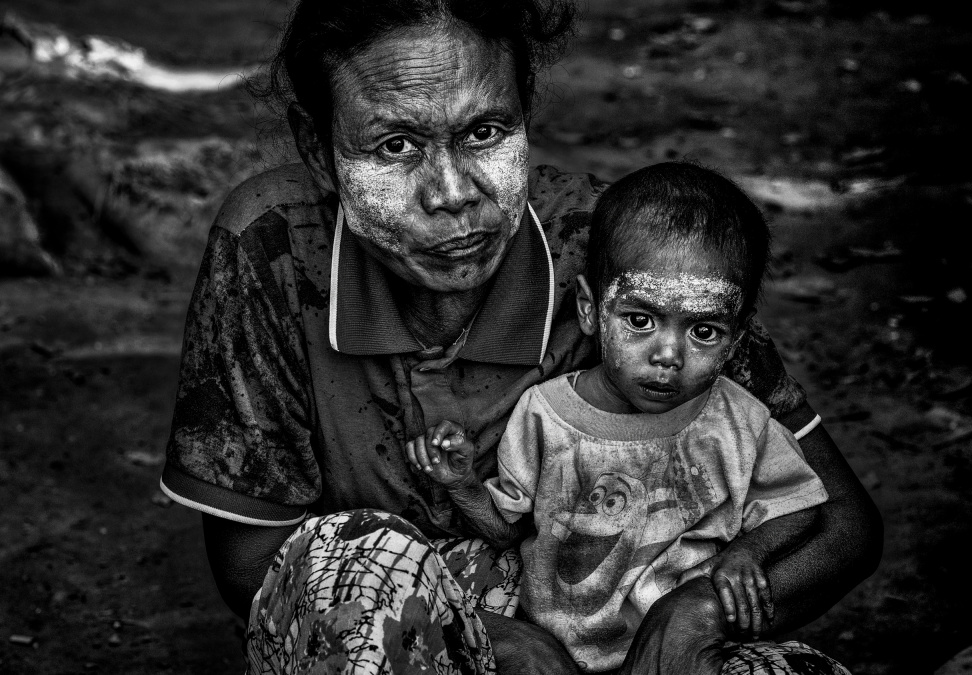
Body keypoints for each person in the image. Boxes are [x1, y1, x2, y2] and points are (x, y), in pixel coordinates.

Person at [157, 1, 883, 673]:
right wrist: (480, 635)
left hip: (625, 634)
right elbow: (254, 562)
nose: (452, 192)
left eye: (484, 131)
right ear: (319, 149)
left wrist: (701, 606)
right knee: (361, 556)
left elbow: (842, 522)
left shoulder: (624, 257)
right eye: (396, 143)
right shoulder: (275, 247)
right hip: (391, 642)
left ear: (525, 114)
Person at [406, 162, 834, 673]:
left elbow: (800, 505)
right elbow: (506, 531)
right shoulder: (546, 415)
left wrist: (747, 552)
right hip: (554, 654)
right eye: (639, 320)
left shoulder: (740, 420)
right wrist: (463, 485)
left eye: (704, 331)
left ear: (737, 339)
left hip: (679, 650)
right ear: (590, 309)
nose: (669, 354)